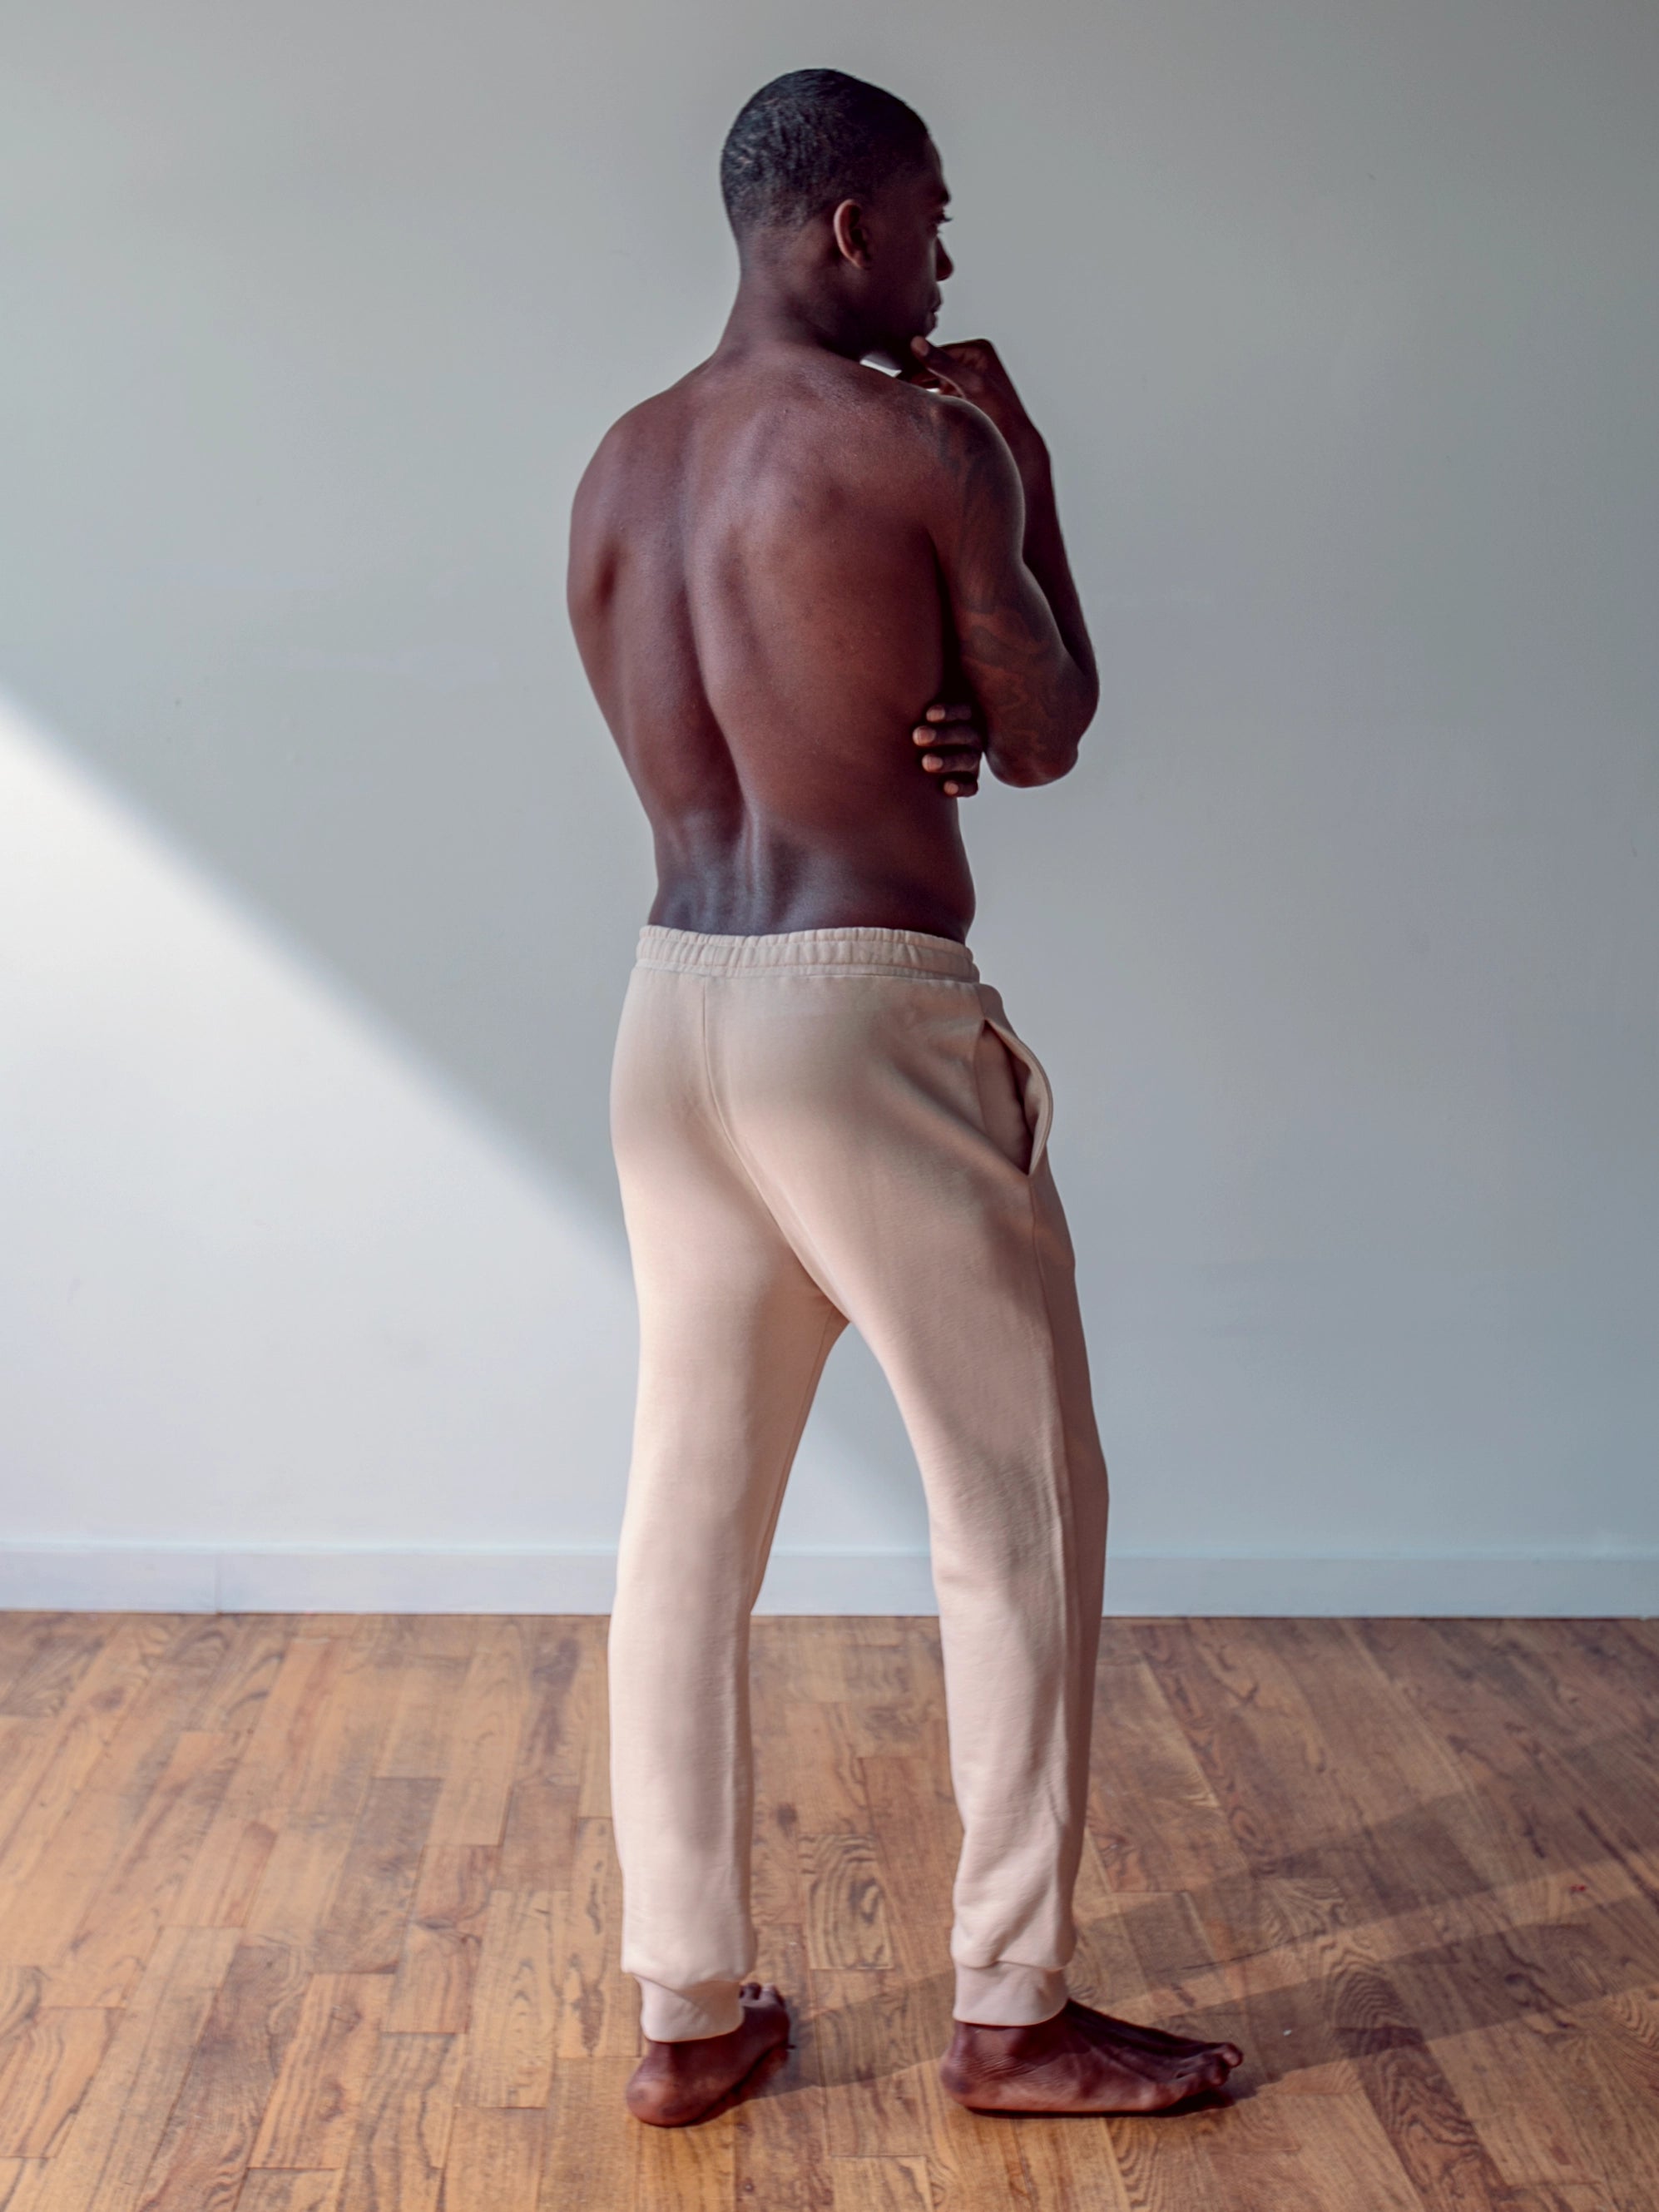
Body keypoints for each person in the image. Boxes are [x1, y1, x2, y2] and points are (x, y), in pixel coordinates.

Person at [567, 66, 1244, 2129]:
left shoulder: (618, 469)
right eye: (932, 218)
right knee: (1017, 1504)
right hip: (863, 1016)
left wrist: (892, 697)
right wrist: (1017, 468)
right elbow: (1038, 729)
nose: (950, 258)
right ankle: (1014, 2008)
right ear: (848, 227)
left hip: (672, 1007)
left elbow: (786, 699)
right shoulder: (922, 440)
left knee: (683, 1521)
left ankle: (690, 2005)